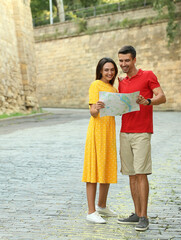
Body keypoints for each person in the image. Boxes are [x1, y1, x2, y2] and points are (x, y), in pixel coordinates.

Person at [116, 46, 166, 231]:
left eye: (127, 61)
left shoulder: (148, 75)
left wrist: (148, 101)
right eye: (121, 61)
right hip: (125, 132)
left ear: (134, 60)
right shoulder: (121, 82)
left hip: (142, 132)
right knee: (130, 174)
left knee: (141, 173)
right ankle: (136, 213)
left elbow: (162, 96)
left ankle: (144, 216)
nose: (123, 64)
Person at [82, 57, 118, 224]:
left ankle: (102, 205)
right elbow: (92, 112)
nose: (109, 72)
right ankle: (91, 211)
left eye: (112, 70)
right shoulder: (95, 85)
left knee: (107, 166)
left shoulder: (114, 88)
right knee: (93, 168)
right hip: (97, 131)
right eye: (106, 70)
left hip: (109, 130)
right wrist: (95, 108)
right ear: (100, 71)